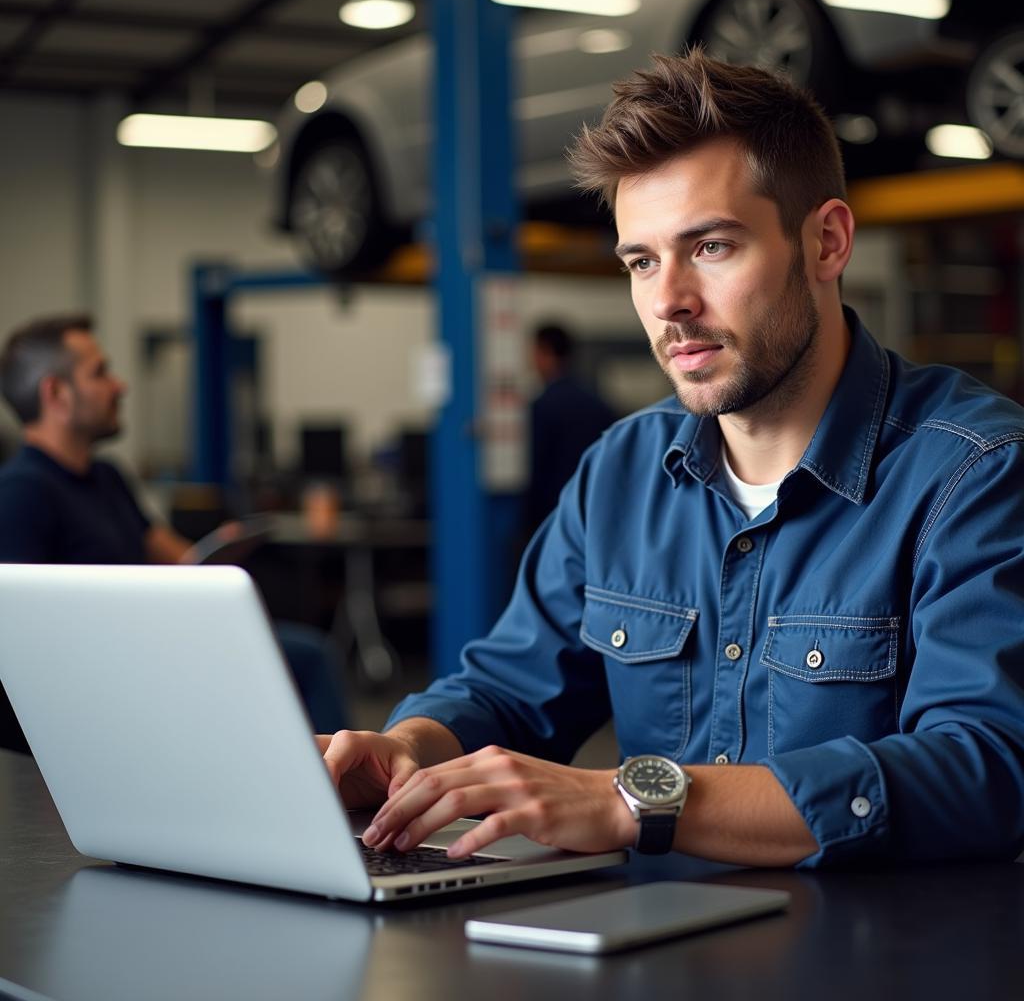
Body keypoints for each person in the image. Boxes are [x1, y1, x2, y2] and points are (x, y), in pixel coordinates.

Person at [326, 48, 1024, 869]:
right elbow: (509, 690)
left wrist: (632, 797)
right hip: (653, 950)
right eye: (642, 260)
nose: (669, 302)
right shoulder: (621, 472)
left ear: (827, 242)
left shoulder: (975, 472)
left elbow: (987, 768)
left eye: (713, 247)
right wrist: (406, 745)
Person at [0, 314, 346, 750]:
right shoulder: (21, 493)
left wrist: (222, 548)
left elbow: (178, 557)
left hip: (148, 647)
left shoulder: (106, 477)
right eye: (100, 373)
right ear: (56, 393)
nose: (119, 386)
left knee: (301, 650)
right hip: (109, 672)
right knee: (303, 657)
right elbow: (24, 637)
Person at [523, 322, 616, 538]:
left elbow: (539, 467)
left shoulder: (543, 405)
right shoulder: (597, 403)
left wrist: (527, 521)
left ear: (545, 353)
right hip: (593, 507)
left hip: (553, 512)